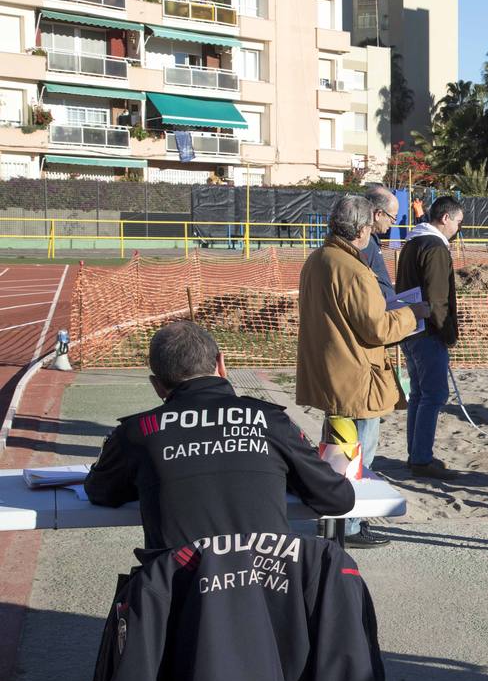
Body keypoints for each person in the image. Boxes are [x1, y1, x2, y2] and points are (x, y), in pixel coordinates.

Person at [85, 321, 356, 550]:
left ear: (157, 385)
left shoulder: (137, 432)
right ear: (221, 363)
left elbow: (101, 492)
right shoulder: (270, 420)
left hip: (179, 596)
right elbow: (336, 498)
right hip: (266, 589)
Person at [297, 194, 429, 547]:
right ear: (361, 229)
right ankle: (349, 526)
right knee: (358, 456)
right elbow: (377, 328)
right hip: (355, 376)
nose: (374, 233)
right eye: (372, 227)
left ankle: (337, 522)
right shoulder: (354, 270)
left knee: (335, 454)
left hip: (330, 371)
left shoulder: (317, 259)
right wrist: (413, 314)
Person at [395, 195, 464, 480]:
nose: (458, 228)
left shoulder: (413, 242)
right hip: (428, 331)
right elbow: (438, 297)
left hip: (410, 328)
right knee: (433, 395)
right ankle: (421, 457)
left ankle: (416, 453)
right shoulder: (435, 247)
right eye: (458, 222)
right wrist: (447, 333)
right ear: (445, 218)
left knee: (420, 394)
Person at [362, 184, 399, 303]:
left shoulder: (370, 239)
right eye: (393, 217)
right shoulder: (363, 242)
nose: (393, 222)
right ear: (378, 214)